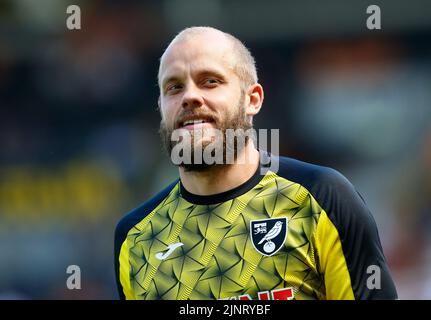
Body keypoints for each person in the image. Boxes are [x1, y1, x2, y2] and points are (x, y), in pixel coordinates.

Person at [114, 26, 397, 300]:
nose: (189, 96)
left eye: (210, 81)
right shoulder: (135, 238)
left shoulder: (321, 197)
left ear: (253, 99)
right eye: (174, 87)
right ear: (161, 107)